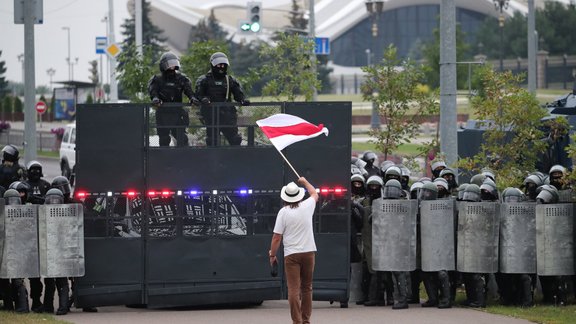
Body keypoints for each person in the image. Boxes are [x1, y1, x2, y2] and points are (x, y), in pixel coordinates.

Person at [269, 177, 318, 324]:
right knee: (307, 288)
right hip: (309, 252)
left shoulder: (283, 212)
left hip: (291, 255)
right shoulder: (308, 205)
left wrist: (272, 255)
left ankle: (296, 321)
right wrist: (304, 181)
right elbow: (314, 193)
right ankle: (306, 320)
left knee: (293, 290)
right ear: (299, 195)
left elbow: (277, 237)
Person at [196, 52, 250, 146]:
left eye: (223, 65)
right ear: (213, 65)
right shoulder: (204, 80)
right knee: (212, 141)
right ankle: (213, 160)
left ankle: (234, 159)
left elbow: (238, 94)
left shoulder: (230, 80)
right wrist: (204, 99)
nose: (221, 67)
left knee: (235, 139)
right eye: (218, 65)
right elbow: (198, 95)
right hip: (211, 115)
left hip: (227, 115)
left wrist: (242, 100)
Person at [148, 51, 197, 147]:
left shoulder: (181, 78)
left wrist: (192, 98)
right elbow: (153, 92)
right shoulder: (157, 79)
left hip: (177, 113)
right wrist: (156, 99)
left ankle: (183, 159)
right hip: (163, 113)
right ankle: (164, 160)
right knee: (164, 139)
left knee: (182, 138)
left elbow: (188, 90)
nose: (172, 67)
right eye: (170, 65)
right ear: (163, 65)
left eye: (174, 65)